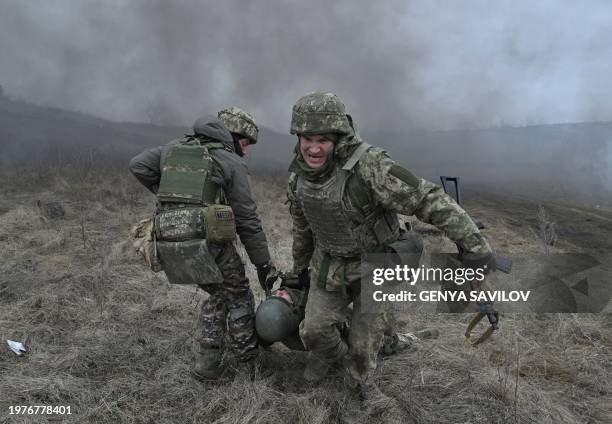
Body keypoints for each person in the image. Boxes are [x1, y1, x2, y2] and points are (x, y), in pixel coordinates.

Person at [286, 92, 495, 410]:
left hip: (378, 263)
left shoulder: (370, 166)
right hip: (329, 264)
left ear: (338, 136)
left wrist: (475, 246)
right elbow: (302, 227)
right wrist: (298, 270)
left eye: (323, 140)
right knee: (313, 332)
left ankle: (360, 389)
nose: (313, 148)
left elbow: (427, 199)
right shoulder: (298, 176)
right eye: (307, 139)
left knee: (362, 349)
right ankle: (346, 354)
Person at [129, 108, 275, 380]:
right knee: (239, 294)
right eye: (244, 144)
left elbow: (138, 165)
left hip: (168, 237)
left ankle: (208, 365)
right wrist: (263, 263)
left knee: (218, 293)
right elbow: (247, 219)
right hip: (208, 241)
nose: (245, 152)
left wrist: (175, 198)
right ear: (232, 136)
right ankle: (249, 365)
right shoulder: (230, 161)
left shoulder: (173, 147)